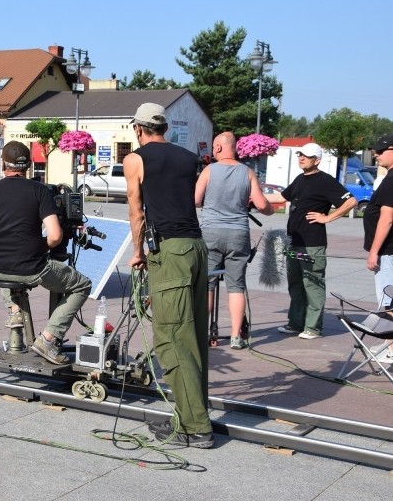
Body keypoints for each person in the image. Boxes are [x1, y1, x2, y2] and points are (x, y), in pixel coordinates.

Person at [123, 102, 213, 449]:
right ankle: (193, 415)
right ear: (165, 128)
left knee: (172, 339)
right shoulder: (188, 157)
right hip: (196, 247)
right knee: (193, 337)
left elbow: (137, 208)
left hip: (170, 252)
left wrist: (137, 252)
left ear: (139, 129)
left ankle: (195, 428)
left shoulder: (136, 159)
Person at [0, 141, 92, 365]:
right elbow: (55, 236)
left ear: (2, 164)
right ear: (28, 165)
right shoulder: (39, 191)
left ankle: (15, 311)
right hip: (29, 267)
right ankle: (47, 340)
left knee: (7, 269)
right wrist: (40, 246)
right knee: (82, 285)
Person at [266, 142, 357, 339]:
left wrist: (327, 218)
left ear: (317, 160)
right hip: (293, 242)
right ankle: (296, 323)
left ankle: (313, 327)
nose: (301, 158)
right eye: (300, 155)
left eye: (306, 156)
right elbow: (280, 197)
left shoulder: (325, 180)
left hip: (312, 243)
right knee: (295, 283)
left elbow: (351, 201)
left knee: (312, 283)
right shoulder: (300, 179)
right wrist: (252, 196)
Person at [195, 132, 274, 350]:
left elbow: (195, 200)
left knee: (207, 284)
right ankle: (235, 336)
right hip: (238, 233)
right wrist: (269, 208)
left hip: (210, 231)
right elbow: (261, 205)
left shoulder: (209, 170)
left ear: (219, 148)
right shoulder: (247, 172)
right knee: (236, 285)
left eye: (213, 147)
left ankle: (202, 333)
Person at [363, 134, 393, 363]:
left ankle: (392, 350)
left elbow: (387, 218)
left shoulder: (392, 179)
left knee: (388, 301)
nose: (376, 154)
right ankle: (388, 345)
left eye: (381, 150)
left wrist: (374, 251)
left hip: (388, 251)